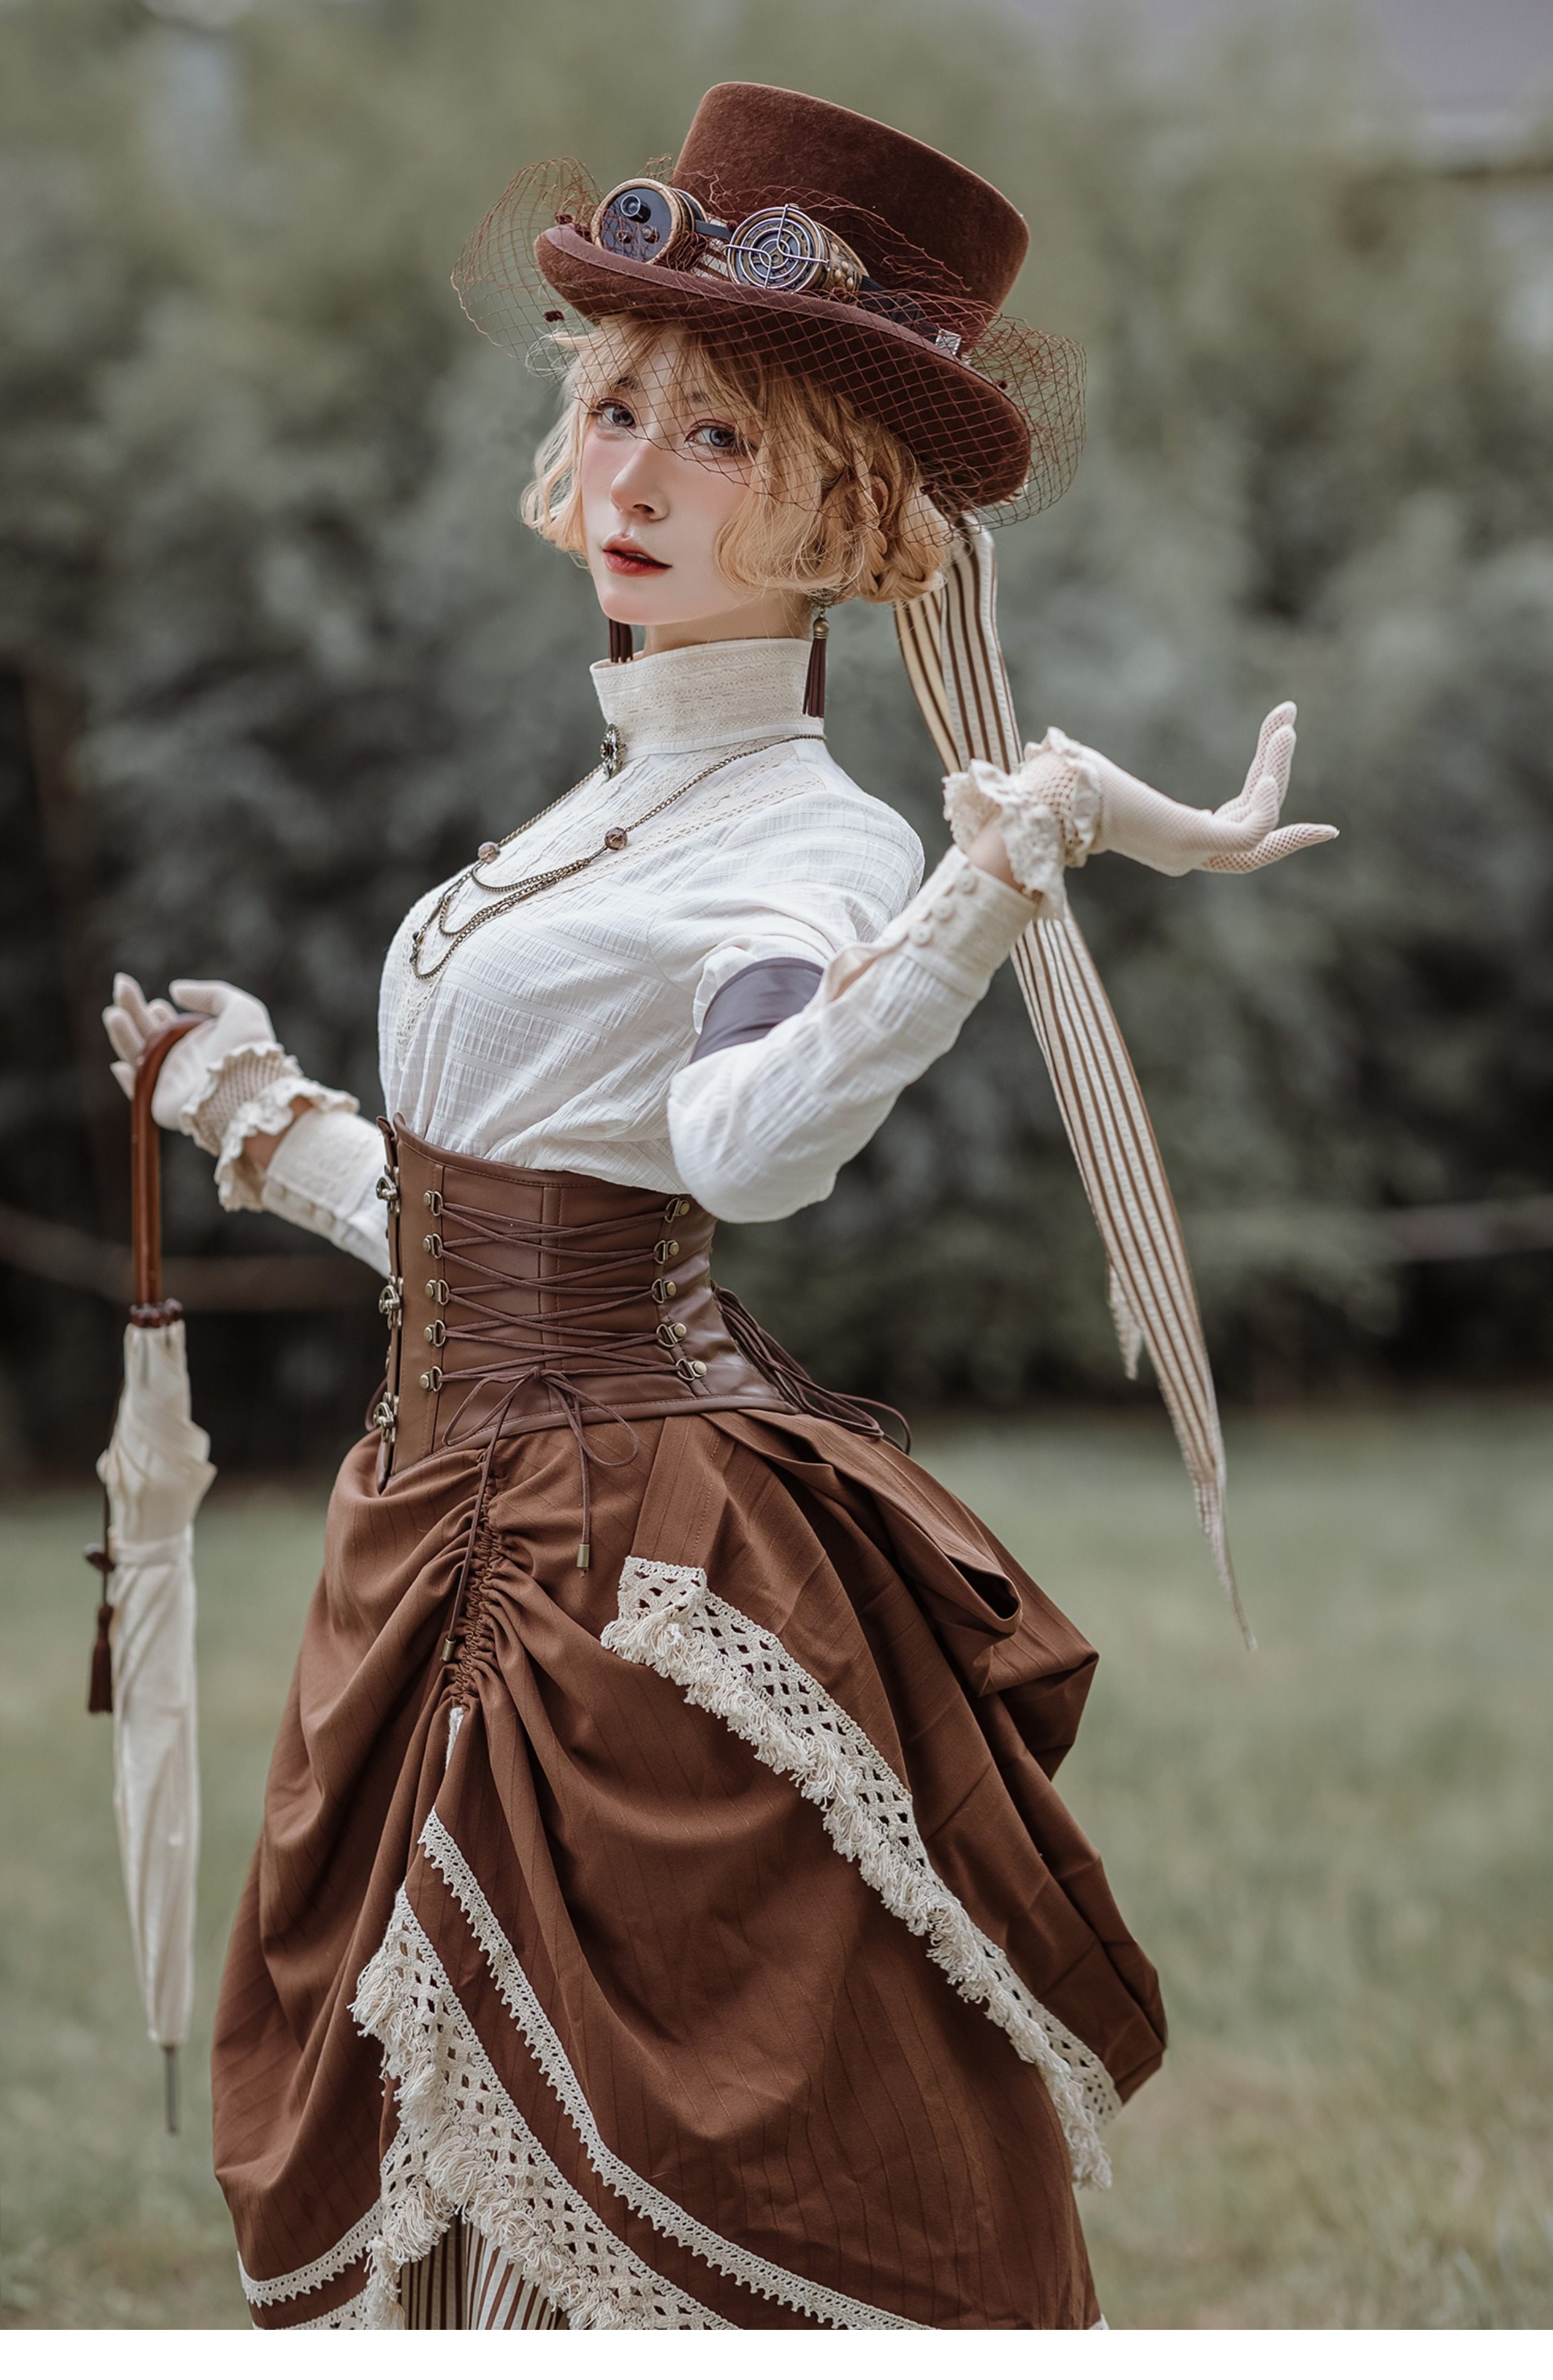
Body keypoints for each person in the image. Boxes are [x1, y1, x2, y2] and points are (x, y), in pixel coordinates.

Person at [103, 84, 1332, 2332]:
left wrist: (979, 891)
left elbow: (748, 1150)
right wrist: (247, 1112)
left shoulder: (814, 844)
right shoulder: (566, 830)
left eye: (721, 437)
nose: (639, 478)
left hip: (612, 1579)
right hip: (428, 1534)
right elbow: (499, 1224)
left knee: (668, 2146)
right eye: (618, 411)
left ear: (850, 509)